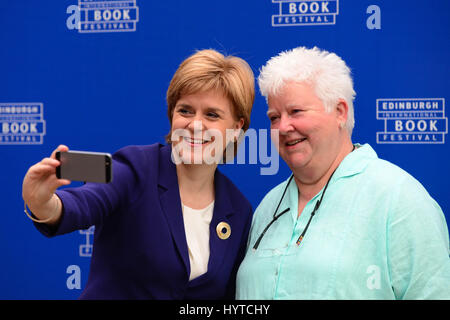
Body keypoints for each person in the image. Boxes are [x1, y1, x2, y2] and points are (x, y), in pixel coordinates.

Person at [22, 49, 255, 299]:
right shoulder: (134, 166)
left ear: (236, 127)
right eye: (185, 110)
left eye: (212, 114)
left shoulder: (238, 210)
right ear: (172, 114)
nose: (195, 125)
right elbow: (86, 201)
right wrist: (44, 203)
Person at [236, 46, 450, 299]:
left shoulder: (398, 198)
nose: (283, 127)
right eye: (274, 117)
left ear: (340, 111)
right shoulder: (268, 206)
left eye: (296, 111)